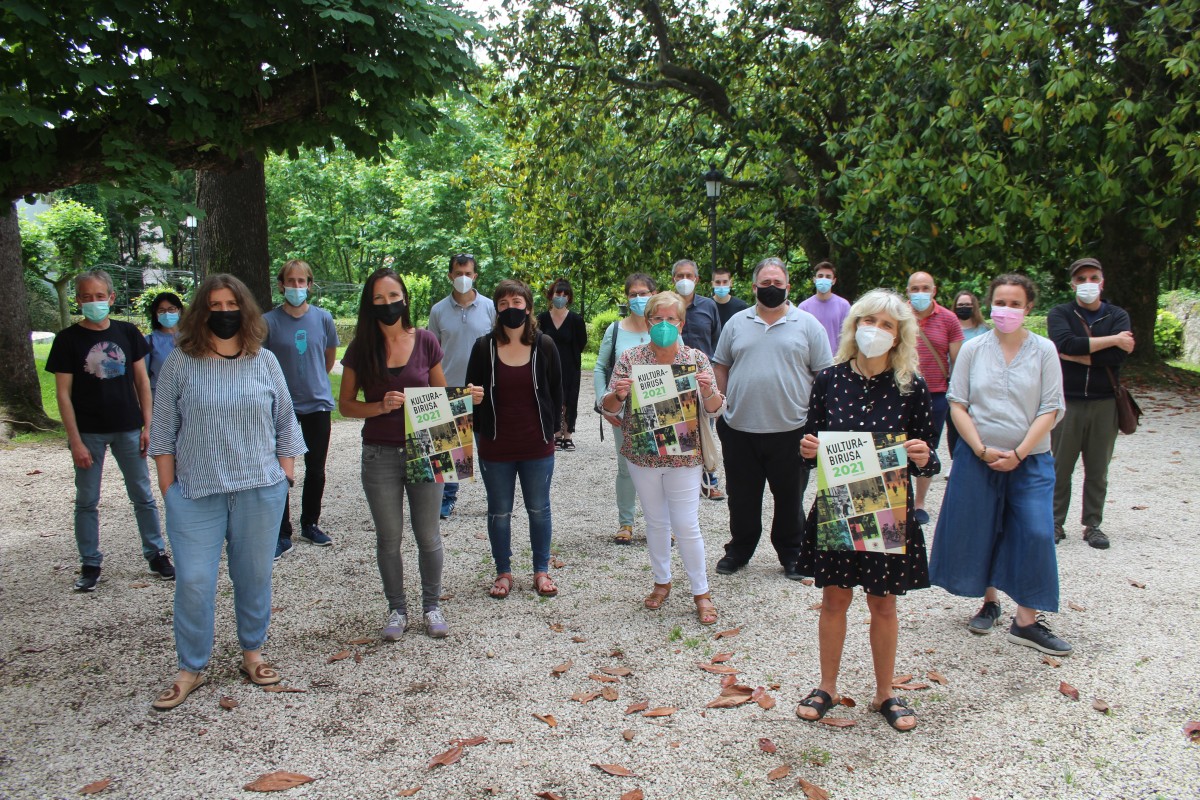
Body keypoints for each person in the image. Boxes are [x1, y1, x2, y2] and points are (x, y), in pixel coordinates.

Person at [148, 274, 305, 710]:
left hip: (259, 489)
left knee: (254, 576)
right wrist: (169, 490)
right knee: (195, 582)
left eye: (231, 304)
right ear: (202, 311)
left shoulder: (265, 360)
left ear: (245, 309)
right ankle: (190, 667)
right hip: (196, 492)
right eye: (214, 306)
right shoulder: (181, 362)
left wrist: (285, 475)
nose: (223, 313)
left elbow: (286, 422)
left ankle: (252, 653)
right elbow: (163, 430)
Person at [794, 289, 938, 733]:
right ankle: (827, 687)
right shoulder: (829, 379)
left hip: (888, 507)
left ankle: (884, 693)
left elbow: (932, 459)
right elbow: (809, 446)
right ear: (854, 326)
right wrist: (807, 449)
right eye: (868, 321)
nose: (875, 330)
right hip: (839, 504)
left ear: (898, 336)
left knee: (883, 604)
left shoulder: (913, 387)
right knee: (834, 599)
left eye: (886, 324)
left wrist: (920, 457)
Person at [929, 274, 1070, 657]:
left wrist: (1020, 452)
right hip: (979, 456)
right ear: (989, 304)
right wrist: (980, 449)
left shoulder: (1044, 350)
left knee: (1037, 531)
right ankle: (989, 601)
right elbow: (958, 403)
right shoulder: (974, 350)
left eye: (1015, 303)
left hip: (1032, 459)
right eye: (1000, 302)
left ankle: (1026, 620)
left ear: (1028, 308)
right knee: (980, 528)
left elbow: (1052, 407)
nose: (1006, 310)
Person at [339, 268, 460, 639]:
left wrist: (466, 398)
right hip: (379, 452)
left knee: (428, 534)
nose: (387, 304)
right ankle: (397, 610)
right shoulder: (361, 347)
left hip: (429, 443)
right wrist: (377, 407)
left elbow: (442, 399)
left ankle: (431, 606)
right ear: (369, 304)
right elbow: (344, 405)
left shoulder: (425, 341)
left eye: (393, 297)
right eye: (378, 299)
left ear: (405, 299)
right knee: (388, 537)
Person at [600, 291, 726, 625]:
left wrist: (709, 391)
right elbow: (608, 407)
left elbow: (714, 409)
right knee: (656, 521)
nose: (665, 325)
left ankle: (701, 592)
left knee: (686, 524)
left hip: (684, 455)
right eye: (658, 318)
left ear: (681, 323)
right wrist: (618, 394)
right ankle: (662, 582)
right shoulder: (631, 358)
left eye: (672, 319)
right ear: (648, 321)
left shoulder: (695, 359)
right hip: (643, 455)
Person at [46, 270, 172, 591]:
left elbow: (142, 382)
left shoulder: (128, 333)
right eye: (86, 297)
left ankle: (156, 553)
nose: (94, 302)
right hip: (89, 432)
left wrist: (148, 425)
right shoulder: (67, 340)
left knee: (142, 495)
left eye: (99, 296)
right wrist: (74, 440)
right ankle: (90, 563)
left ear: (111, 298)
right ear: (78, 300)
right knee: (87, 500)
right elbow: (63, 393)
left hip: (128, 427)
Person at [712, 257, 833, 579]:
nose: (771, 289)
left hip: (791, 429)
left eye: (777, 283)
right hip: (739, 428)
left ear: (788, 287)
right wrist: (719, 403)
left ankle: (793, 554)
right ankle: (739, 549)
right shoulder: (736, 322)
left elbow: (824, 374)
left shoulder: (808, 325)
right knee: (741, 498)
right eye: (765, 284)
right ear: (753, 287)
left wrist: (818, 423)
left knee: (790, 498)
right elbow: (720, 365)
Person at [466, 279, 564, 599]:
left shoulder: (545, 345)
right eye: (504, 303)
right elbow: (469, 396)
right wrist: (472, 397)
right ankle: (503, 572)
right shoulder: (483, 347)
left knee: (539, 509)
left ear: (529, 307)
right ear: (496, 309)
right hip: (495, 445)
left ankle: (541, 571)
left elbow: (556, 392)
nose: (511, 308)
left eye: (517, 302)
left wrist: (553, 430)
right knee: (499, 511)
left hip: (537, 444)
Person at [1047, 257, 1134, 550]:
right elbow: (1064, 344)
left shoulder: (1117, 315)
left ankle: (1093, 524)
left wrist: (1075, 352)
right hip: (1068, 400)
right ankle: (1054, 521)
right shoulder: (1060, 313)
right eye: (1081, 279)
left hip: (1105, 401)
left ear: (1102, 281)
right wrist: (1111, 341)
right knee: (1060, 466)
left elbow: (1118, 357)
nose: (1087, 284)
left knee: (1098, 468)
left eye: (1092, 277)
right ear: (1072, 283)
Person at [263, 259, 339, 558]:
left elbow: (328, 358)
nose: (296, 287)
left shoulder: (323, 318)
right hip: (281, 406)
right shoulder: (267, 321)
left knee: (316, 469)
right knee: (280, 471)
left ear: (310, 284)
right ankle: (282, 531)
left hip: (317, 404)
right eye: (291, 281)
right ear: (281, 285)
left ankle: (310, 522)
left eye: (302, 281)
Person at [427, 253, 496, 519]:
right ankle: (446, 500)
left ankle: (496, 498)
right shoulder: (438, 310)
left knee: (488, 447)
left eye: (468, 273)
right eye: (458, 273)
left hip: (484, 390)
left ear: (475, 276)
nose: (463, 278)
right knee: (448, 451)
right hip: (448, 386)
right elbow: (431, 351)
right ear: (450, 276)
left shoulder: (490, 307)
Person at [594, 274, 655, 544]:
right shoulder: (615, 329)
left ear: (655, 294)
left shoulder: (664, 326)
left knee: (663, 467)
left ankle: (661, 523)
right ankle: (626, 523)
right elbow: (599, 367)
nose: (639, 298)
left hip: (660, 409)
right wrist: (603, 404)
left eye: (644, 292)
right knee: (626, 468)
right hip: (623, 411)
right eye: (633, 294)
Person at [905, 271, 963, 524]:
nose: (920, 293)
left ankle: (919, 503)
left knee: (926, 448)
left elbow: (958, 360)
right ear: (907, 291)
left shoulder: (949, 320)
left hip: (935, 394)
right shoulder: (898, 316)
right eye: (914, 288)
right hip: (900, 391)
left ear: (934, 290)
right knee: (896, 446)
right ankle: (899, 500)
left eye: (924, 287)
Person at [671, 259, 724, 501]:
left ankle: (709, 480)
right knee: (677, 432)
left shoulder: (709, 306)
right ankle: (681, 480)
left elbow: (716, 341)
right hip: (671, 380)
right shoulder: (667, 306)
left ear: (697, 279)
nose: (684, 280)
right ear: (673, 279)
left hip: (701, 378)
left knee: (705, 432)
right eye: (680, 275)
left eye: (689, 275)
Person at [536, 278, 588, 451]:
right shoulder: (541, 319)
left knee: (569, 400)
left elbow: (581, 342)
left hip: (569, 365)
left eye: (565, 294)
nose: (562, 297)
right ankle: (555, 434)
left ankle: (567, 435)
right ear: (551, 295)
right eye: (559, 293)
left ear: (569, 297)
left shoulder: (576, 320)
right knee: (550, 399)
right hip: (547, 366)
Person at [944, 290, 989, 457]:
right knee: (954, 424)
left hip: (979, 384)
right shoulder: (949, 328)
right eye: (961, 305)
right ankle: (955, 459)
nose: (964, 308)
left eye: (968, 305)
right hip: (954, 383)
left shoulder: (985, 330)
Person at [798, 261, 850, 353]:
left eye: (828, 277)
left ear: (833, 281)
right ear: (814, 279)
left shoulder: (844, 306)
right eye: (820, 276)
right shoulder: (804, 307)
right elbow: (800, 337)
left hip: (836, 361)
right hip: (811, 362)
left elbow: (847, 335)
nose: (824, 279)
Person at [145, 291, 185, 393]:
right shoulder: (150, 341)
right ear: (156, 314)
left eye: (171, 309)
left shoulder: (191, 338)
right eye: (161, 310)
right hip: (159, 400)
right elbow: (142, 377)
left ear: (179, 311)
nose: (167, 314)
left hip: (187, 400)